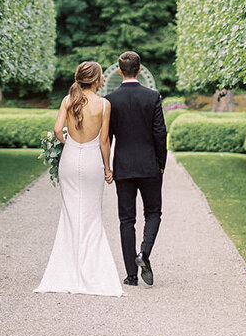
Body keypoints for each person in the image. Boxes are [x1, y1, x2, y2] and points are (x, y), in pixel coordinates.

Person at [35, 61, 123, 296]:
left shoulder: (67, 99)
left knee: (70, 213)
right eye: (101, 76)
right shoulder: (104, 105)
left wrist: (69, 144)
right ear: (95, 80)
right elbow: (104, 141)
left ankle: (67, 268)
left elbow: (56, 130)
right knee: (92, 214)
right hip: (93, 160)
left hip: (70, 160)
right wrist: (108, 167)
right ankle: (91, 270)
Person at [106, 50, 167, 287]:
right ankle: (144, 253)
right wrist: (161, 163)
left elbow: (107, 137)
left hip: (123, 166)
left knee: (126, 220)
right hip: (150, 164)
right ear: (139, 70)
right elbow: (160, 132)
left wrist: (108, 166)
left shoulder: (111, 99)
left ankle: (131, 275)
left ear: (120, 71)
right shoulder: (152, 96)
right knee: (153, 213)